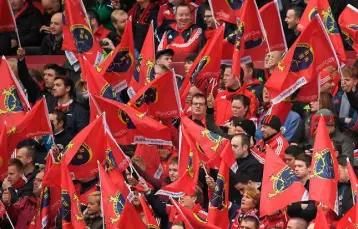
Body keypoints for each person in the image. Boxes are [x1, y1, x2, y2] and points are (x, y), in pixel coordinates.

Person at [287, 154, 317, 223]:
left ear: (309, 168)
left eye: (300, 166)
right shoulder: (292, 185)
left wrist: (296, 207)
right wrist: (302, 206)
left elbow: (311, 212)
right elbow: (289, 211)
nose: (296, 169)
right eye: (295, 166)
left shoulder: (314, 186)